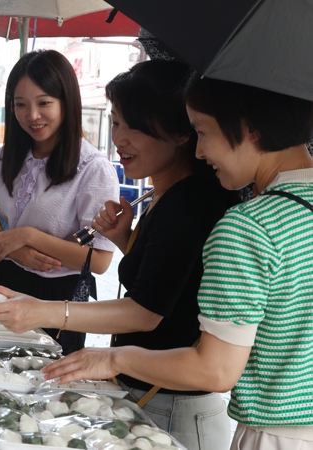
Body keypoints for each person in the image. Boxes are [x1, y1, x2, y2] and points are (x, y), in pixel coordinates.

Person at [0, 60, 240, 450]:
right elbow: (168, 281)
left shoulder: (187, 203)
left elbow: (147, 312)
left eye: (135, 127)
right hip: (152, 397)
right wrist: (123, 239)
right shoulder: (164, 195)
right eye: (116, 123)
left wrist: (43, 311)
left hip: (175, 408)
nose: (120, 139)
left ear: (181, 134)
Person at [41, 75, 313, 450]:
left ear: (248, 128)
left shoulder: (250, 225)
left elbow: (215, 370)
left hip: (276, 435)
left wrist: (115, 358)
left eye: (203, 132)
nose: (199, 152)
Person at [0, 49, 119, 355]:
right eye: (21, 104)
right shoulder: (0, 160)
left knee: (44, 380)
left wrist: (29, 237)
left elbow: (98, 260)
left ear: (66, 102)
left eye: (44, 103)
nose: (32, 115)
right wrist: (15, 251)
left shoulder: (92, 168)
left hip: (59, 301)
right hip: (2, 285)